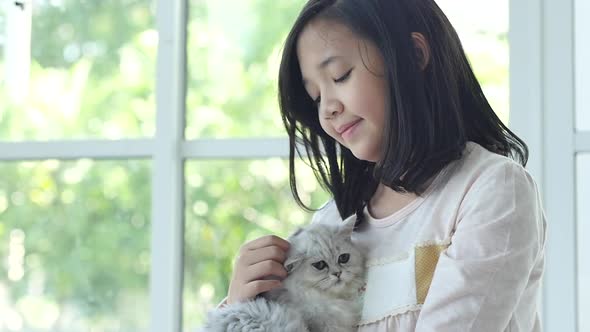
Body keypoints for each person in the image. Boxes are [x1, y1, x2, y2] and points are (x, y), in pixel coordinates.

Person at [224, 0, 547, 331]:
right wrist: (240, 307)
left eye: (340, 75)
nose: (327, 110)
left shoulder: (490, 190)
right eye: (316, 97)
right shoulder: (335, 222)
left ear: (414, 54)